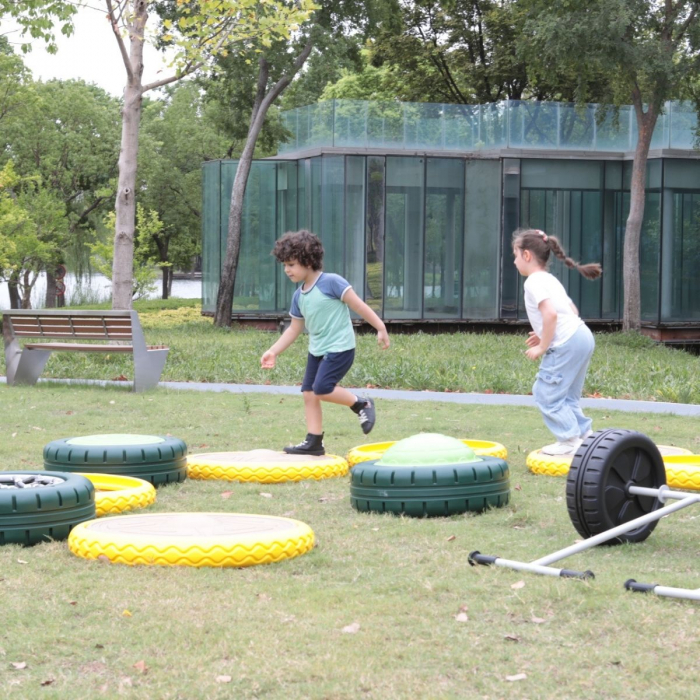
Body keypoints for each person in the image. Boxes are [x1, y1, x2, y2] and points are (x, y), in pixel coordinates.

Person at [261, 230, 390, 456]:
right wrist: (273, 351)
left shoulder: (331, 282)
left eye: (291, 264)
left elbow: (359, 306)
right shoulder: (298, 296)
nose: (287, 270)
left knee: (322, 389)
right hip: (317, 350)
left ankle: (362, 404)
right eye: (284, 265)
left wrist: (380, 327)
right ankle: (314, 442)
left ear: (308, 260)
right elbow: (294, 328)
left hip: (340, 348)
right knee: (309, 393)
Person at [512, 228, 602, 456]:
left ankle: (568, 440)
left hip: (567, 343)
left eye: (515, 255)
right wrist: (544, 334)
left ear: (527, 255)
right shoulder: (550, 279)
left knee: (546, 393)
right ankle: (585, 437)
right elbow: (570, 310)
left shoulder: (533, 282)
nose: (514, 261)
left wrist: (543, 346)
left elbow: (551, 315)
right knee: (567, 396)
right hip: (581, 335)